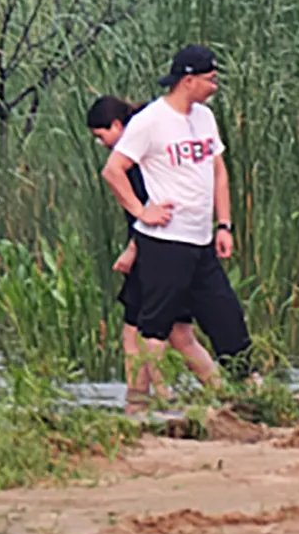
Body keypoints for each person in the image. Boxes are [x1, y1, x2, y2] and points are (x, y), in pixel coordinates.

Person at [103, 45, 250, 383]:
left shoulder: (204, 118)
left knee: (227, 319)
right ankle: (141, 407)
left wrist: (224, 224)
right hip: (165, 241)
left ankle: (248, 393)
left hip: (202, 240)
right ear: (187, 80)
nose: (214, 87)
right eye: (209, 80)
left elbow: (219, 172)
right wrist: (142, 211)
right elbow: (114, 170)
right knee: (154, 327)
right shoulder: (150, 121)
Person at [86, 95, 212, 408]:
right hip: (173, 250)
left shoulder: (135, 160)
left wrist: (133, 249)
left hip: (155, 253)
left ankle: (142, 402)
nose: (102, 144)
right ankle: (224, 394)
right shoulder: (148, 148)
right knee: (181, 335)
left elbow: (150, 210)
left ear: (117, 125)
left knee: (136, 334)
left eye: (102, 137)